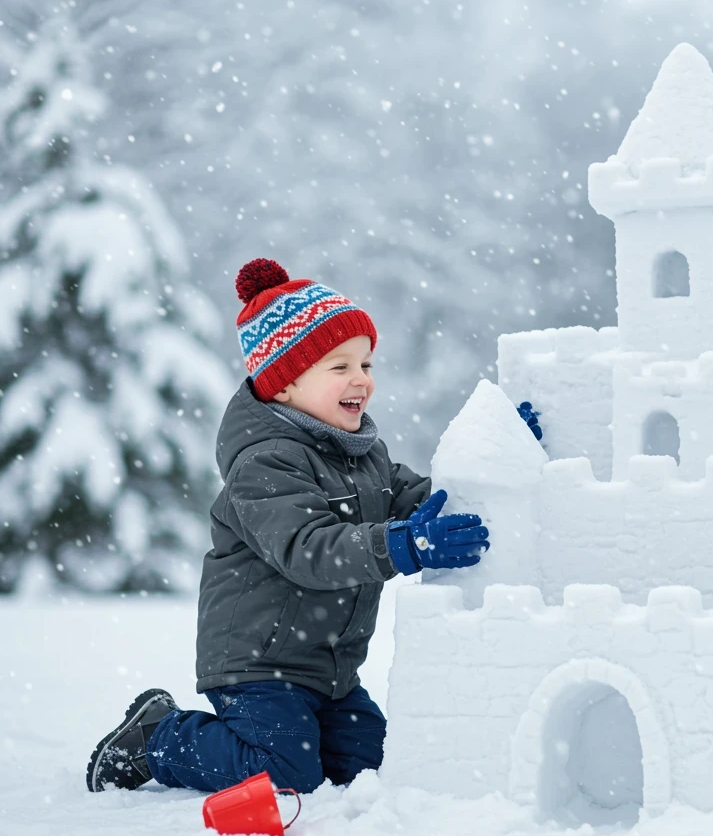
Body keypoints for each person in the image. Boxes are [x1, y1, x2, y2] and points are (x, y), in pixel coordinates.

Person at [86, 258, 537, 794]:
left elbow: (426, 501)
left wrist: (494, 459)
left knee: (375, 767)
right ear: (283, 385)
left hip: (330, 672)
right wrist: (405, 546)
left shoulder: (363, 456)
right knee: (284, 772)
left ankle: (305, 738)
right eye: (339, 366)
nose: (361, 380)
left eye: (366, 365)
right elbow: (310, 549)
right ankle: (158, 737)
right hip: (257, 665)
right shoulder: (264, 464)